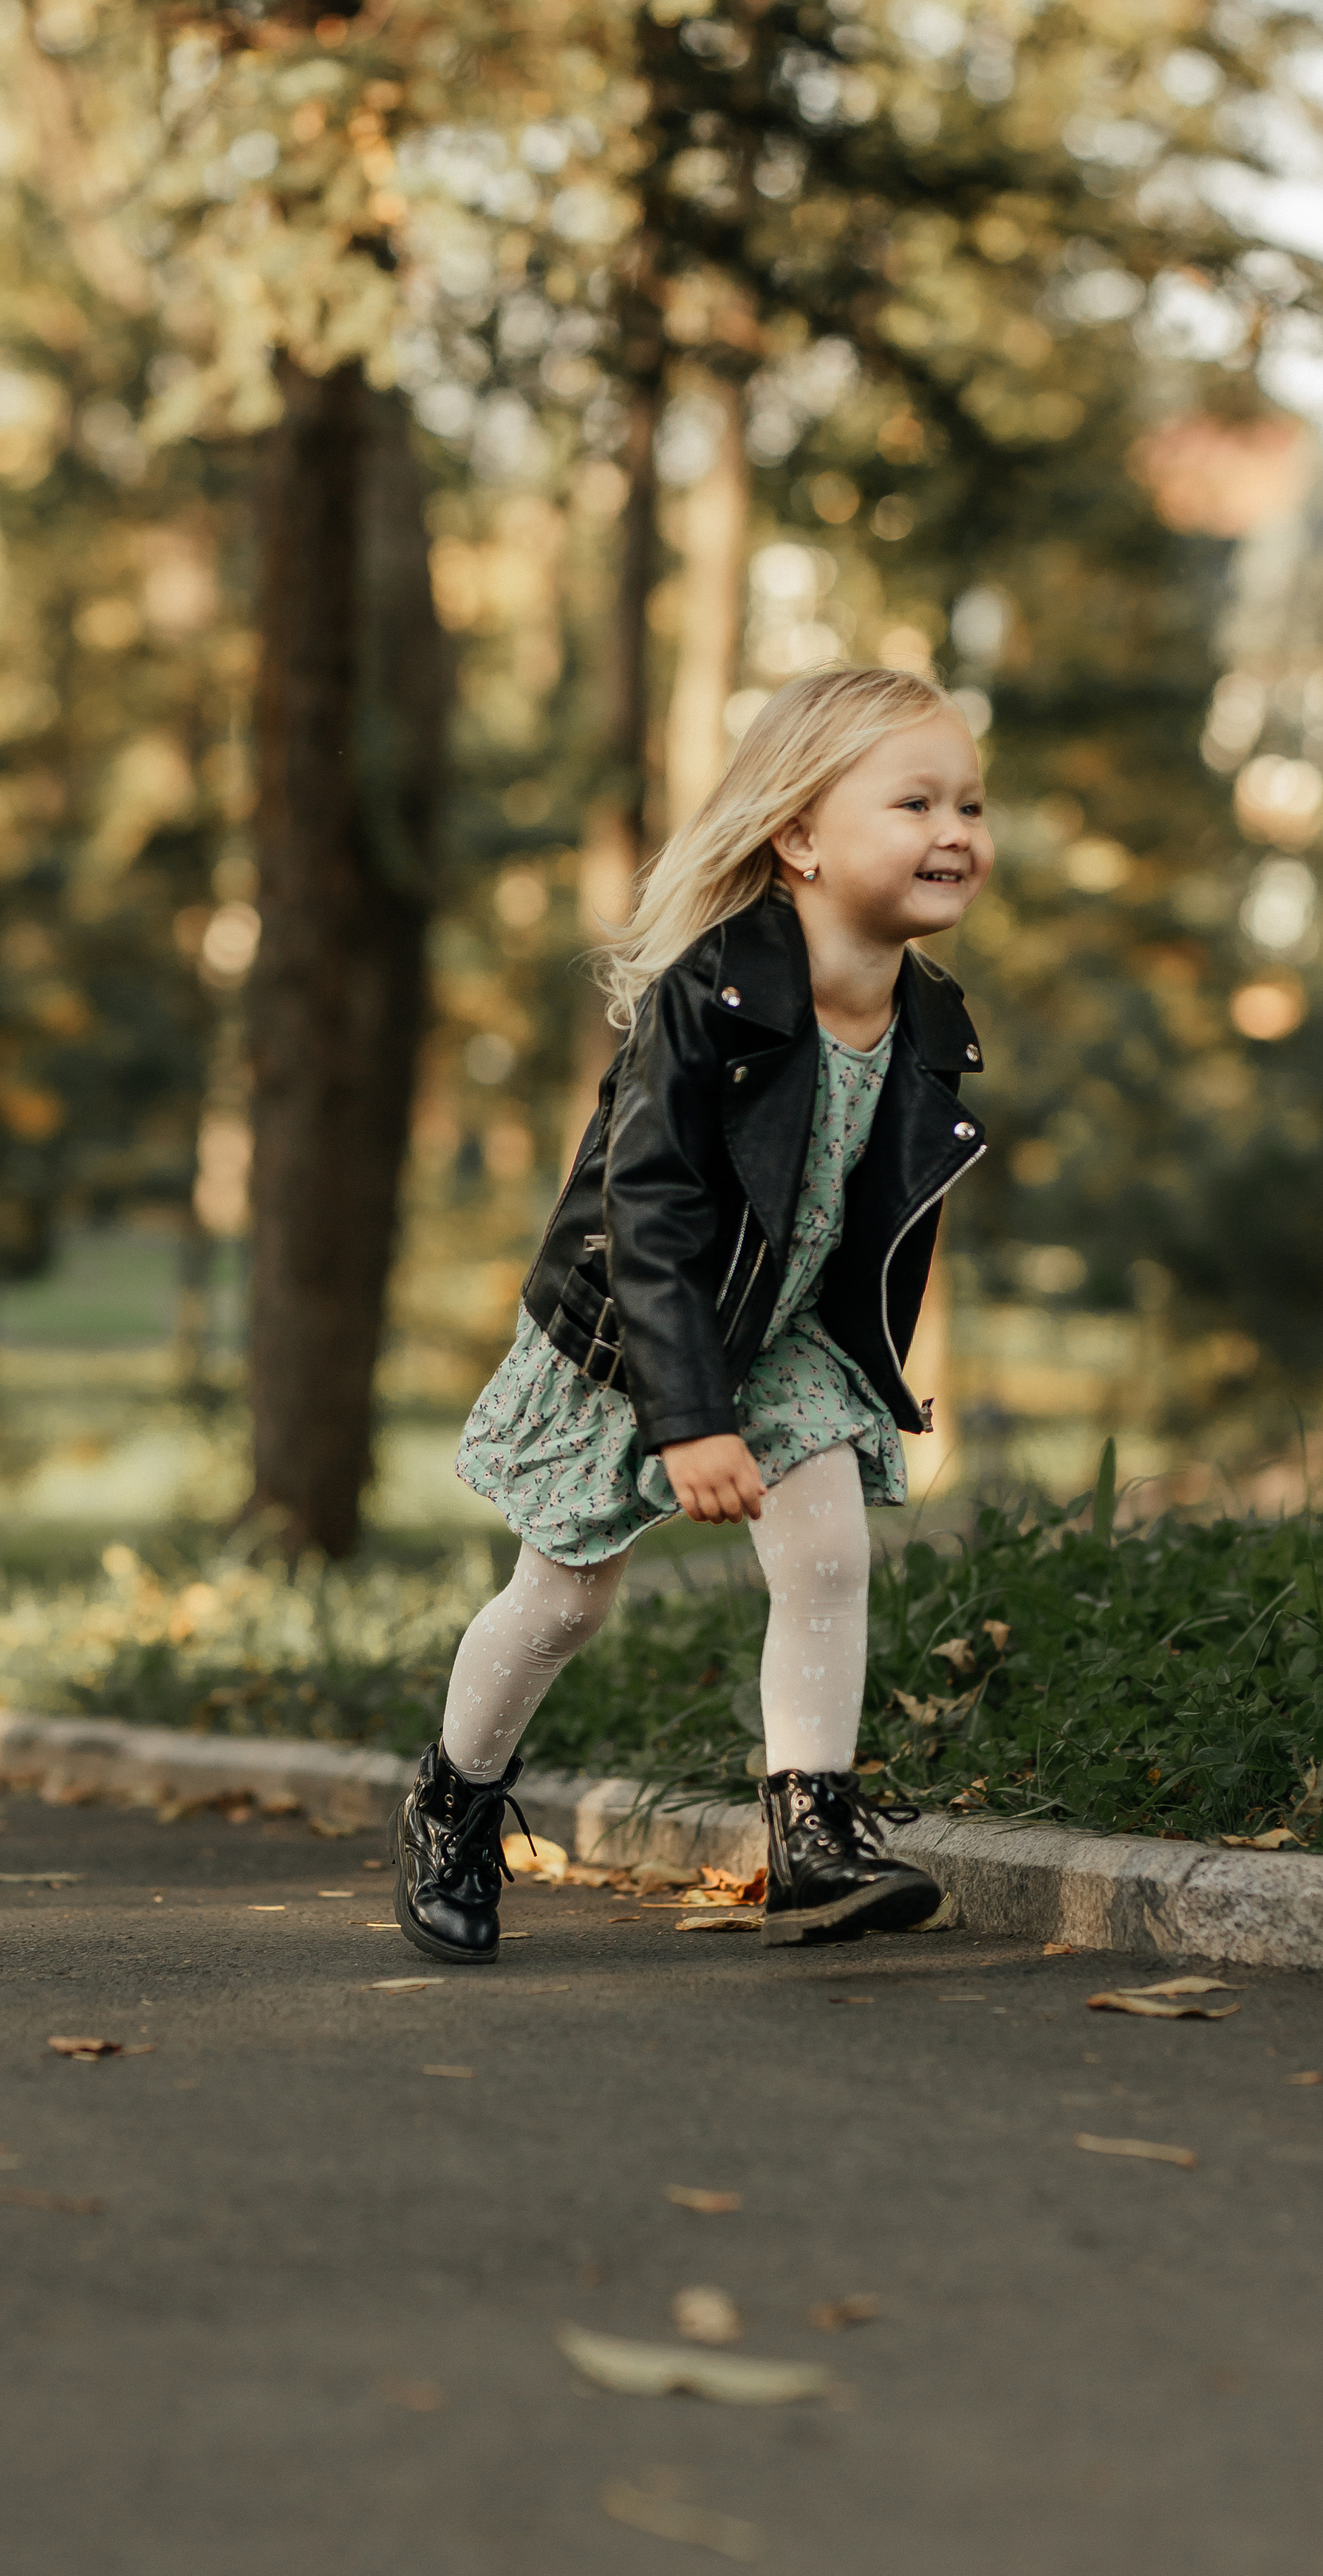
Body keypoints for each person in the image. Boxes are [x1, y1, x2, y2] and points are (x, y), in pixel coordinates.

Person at [394, 663, 993, 1964]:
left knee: (828, 1554)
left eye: (971, 805)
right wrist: (686, 1416)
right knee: (565, 1605)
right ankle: (454, 1797)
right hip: (629, 1341)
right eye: (915, 803)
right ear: (799, 837)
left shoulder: (930, 1017)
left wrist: (855, 1375)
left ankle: (812, 1836)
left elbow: (871, 1218)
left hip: (782, 1336)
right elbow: (646, 1218)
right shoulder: (707, 997)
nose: (956, 831)